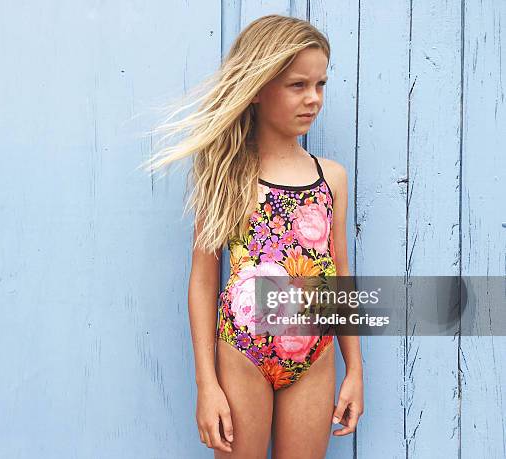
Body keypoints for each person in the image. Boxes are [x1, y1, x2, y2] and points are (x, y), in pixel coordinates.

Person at [140, 14, 363, 458]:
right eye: (298, 85)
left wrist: (354, 368)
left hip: (315, 358)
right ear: (259, 89)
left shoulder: (330, 178)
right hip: (244, 354)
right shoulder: (226, 174)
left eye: (320, 85)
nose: (313, 99)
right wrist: (207, 384)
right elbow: (203, 279)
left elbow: (339, 275)